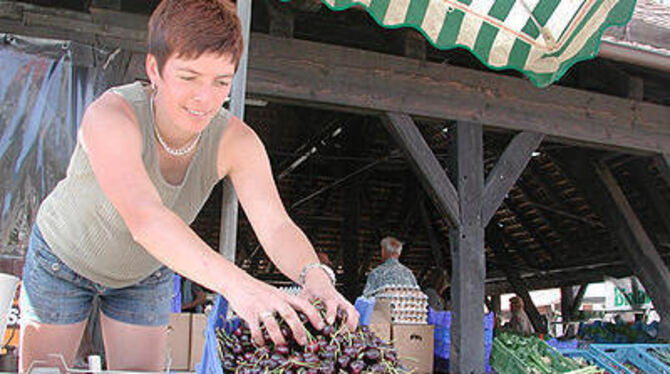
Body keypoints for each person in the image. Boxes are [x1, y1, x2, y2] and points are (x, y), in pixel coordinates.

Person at [18, 0, 358, 371]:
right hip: (62, 260)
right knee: (44, 370)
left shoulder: (236, 141)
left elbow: (276, 225)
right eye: (188, 77)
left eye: (221, 82)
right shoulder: (111, 116)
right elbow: (146, 219)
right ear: (155, 68)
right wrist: (239, 285)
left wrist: (315, 276)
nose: (204, 98)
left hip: (144, 272)